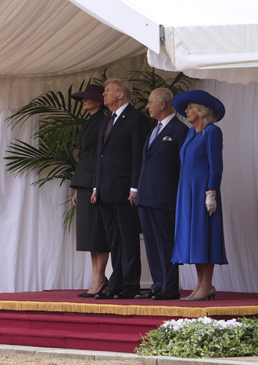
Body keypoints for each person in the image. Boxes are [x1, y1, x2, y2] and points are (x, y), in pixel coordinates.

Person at [91, 78, 149, 299]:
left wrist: (135, 187)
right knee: (114, 240)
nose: (103, 94)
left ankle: (130, 284)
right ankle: (116, 283)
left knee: (128, 238)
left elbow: (138, 155)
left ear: (121, 94)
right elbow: (100, 156)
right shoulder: (108, 120)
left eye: (107, 91)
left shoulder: (136, 119)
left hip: (125, 189)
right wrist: (96, 186)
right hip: (105, 189)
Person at [171, 90, 227, 301]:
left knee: (204, 235)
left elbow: (216, 165)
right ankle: (200, 284)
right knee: (193, 238)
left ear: (201, 111)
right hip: (187, 192)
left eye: (190, 108)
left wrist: (211, 191)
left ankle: (207, 284)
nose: (186, 111)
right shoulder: (191, 133)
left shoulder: (212, 132)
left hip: (203, 190)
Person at [135, 88, 188, 300]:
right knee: (151, 244)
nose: (147, 106)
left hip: (165, 197)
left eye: (150, 102)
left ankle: (170, 286)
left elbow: (183, 167)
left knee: (165, 243)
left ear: (162, 104)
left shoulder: (180, 130)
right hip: (146, 196)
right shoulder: (154, 130)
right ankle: (158, 284)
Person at [69, 84, 109, 297]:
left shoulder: (104, 122)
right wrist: (77, 186)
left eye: (87, 98)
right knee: (88, 235)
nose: (83, 101)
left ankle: (100, 278)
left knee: (97, 232)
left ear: (99, 101)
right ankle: (96, 277)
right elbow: (83, 156)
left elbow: (101, 156)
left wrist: (96, 185)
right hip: (84, 180)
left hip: (96, 180)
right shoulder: (89, 122)